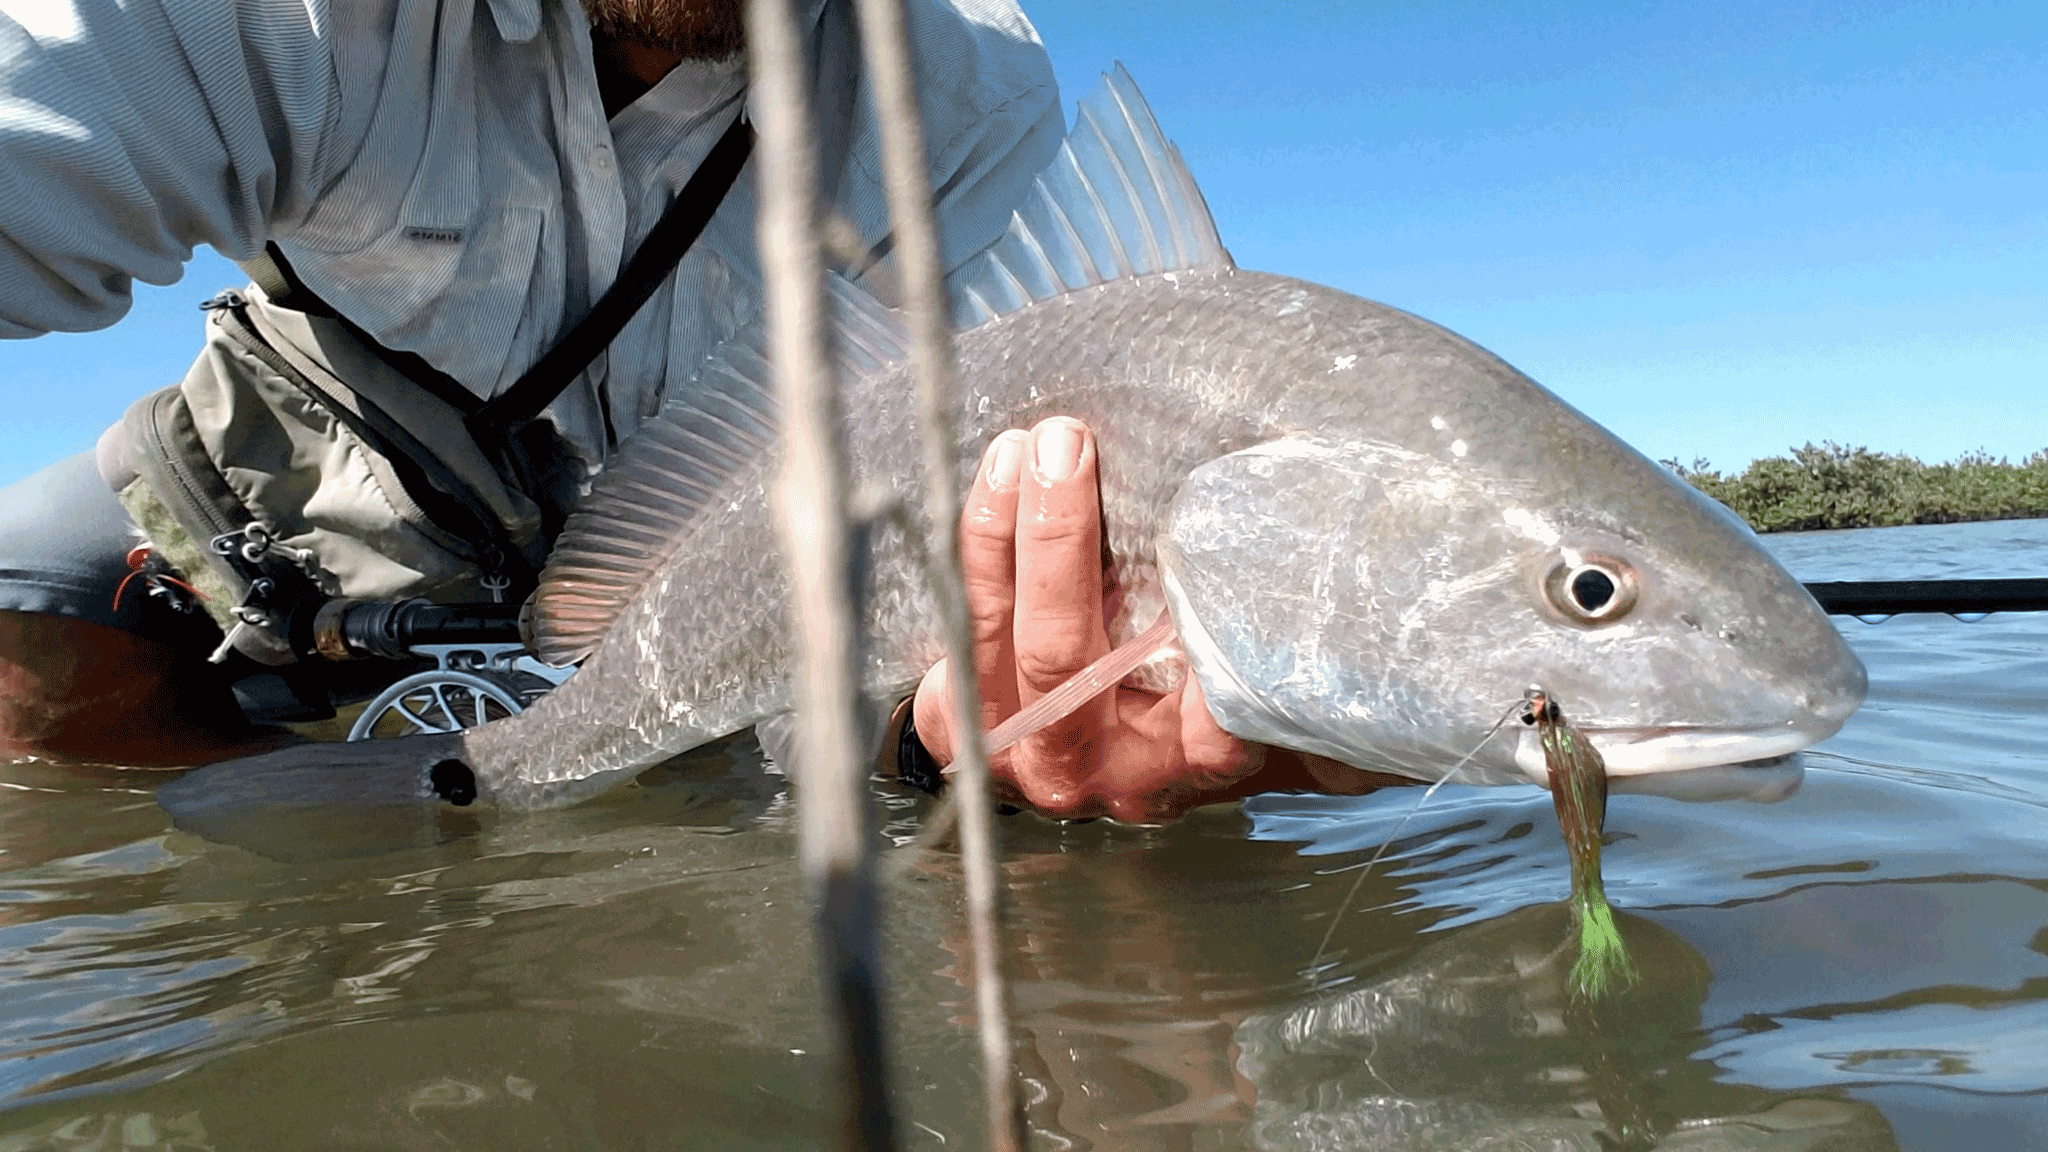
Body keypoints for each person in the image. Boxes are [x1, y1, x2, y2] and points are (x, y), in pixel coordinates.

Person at [0, 0, 1372, 821]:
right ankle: (269, 800)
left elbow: (942, 481)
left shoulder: (964, 83)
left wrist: (937, 726)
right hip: (312, 471)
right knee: (25, 589)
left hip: (731, 544)